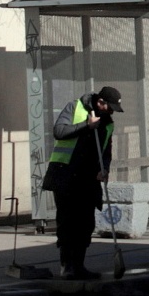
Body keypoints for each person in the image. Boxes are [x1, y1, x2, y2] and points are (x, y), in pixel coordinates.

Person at [48, 85, 120, 280]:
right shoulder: (75, 107)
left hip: (88, 179)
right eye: (110, 107)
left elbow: (106, 151)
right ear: (100, 102)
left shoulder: (107, 123)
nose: (112, 111)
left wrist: (104, 168)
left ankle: (79, 265)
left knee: (85, 223)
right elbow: (59, 131)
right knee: (67, 221)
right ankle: (67, 266)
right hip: (66, 174)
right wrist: (86, 126)